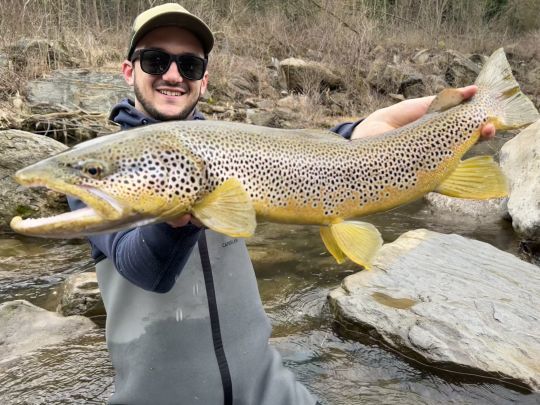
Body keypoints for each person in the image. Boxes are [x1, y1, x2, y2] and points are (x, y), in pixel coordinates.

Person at [70, 3, 496, 405]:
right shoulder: (96, 168)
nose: (173, 74)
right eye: (156, 61)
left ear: (204, 79)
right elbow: (145, 268)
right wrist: (183, 205)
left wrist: (358, 134)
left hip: (267, 387)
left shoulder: (230, 143)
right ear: (129, 70)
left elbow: (296, 152)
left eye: (190, 64)